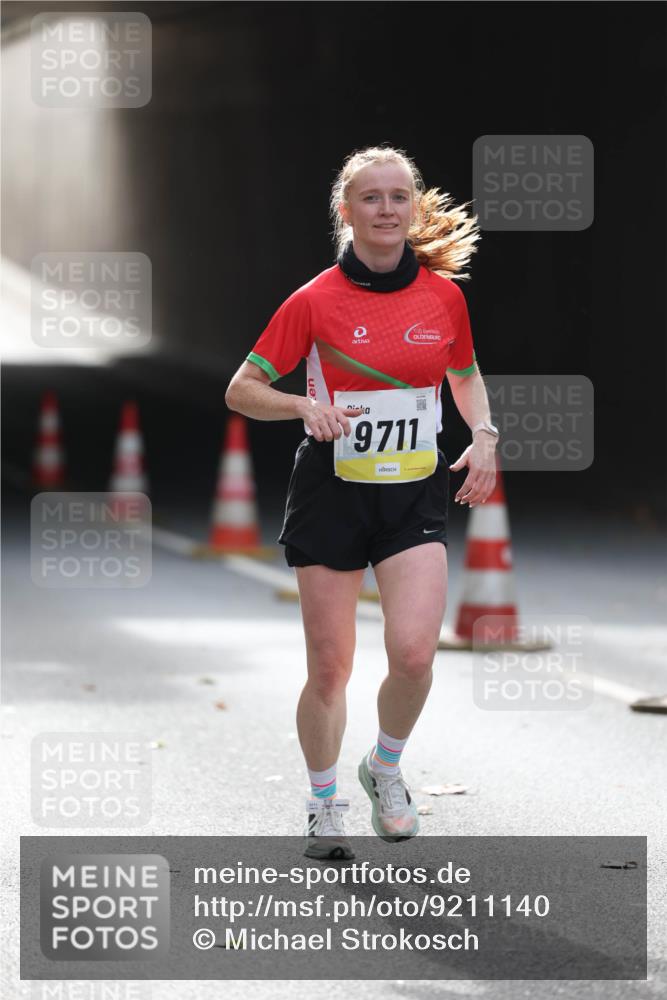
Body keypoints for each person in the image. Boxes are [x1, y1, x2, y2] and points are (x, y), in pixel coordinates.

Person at [225, 145, 499, 860]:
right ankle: (323, 804)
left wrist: (485, 434)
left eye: (398, 196)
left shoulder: (444, 298)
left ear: (414, 207)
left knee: (413, 653)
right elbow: (241, 389)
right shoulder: (314, 300)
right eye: (370, 198)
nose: (385, 209)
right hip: (332, 493)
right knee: (330, 667)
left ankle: (384, 766)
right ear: (346, 211)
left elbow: (464, 375)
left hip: (413, 492)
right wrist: (301, 405)